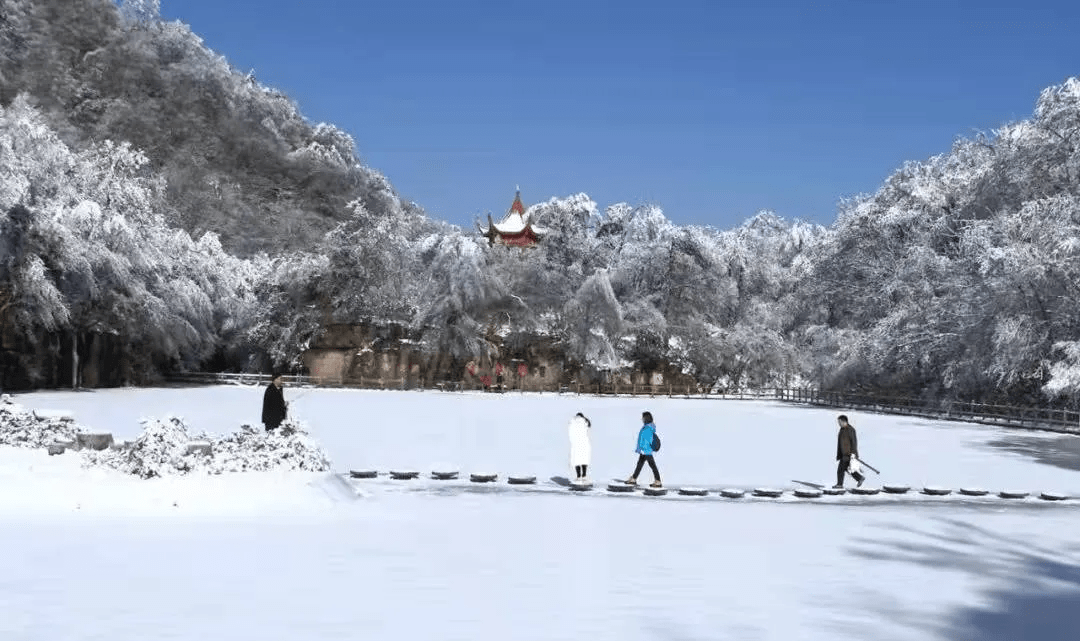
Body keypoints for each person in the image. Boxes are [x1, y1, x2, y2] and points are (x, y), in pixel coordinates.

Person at [624, 411, 662, 488]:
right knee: (640, 465)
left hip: (646, 451)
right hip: (644, 451)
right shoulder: (647, 427)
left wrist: (643, 449)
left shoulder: (648, 428)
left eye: (643, 418)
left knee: (652, 465)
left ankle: (658, 481)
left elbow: (647, 441)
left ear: (646, 418)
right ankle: (634, 478)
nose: (642, 419)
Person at [834, 414, 865, 488]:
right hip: (844, 453)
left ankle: (839, 484)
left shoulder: (850, 430)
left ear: (844, 421)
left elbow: (854, 442)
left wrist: (853, 453)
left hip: (848, 454)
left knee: (841, 469)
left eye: (839, 422)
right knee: (847, 468)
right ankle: (860, 478)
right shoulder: (842, 429)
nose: (838, 423)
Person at [568, 412, 592, 482]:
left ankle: (579, 476)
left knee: (577, 461)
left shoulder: (573, 422)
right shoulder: (586, 422)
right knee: (583, 460)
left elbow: (570, 433)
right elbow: (589, 426)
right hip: (584, 444)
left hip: (576, 444)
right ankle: (584, 476)